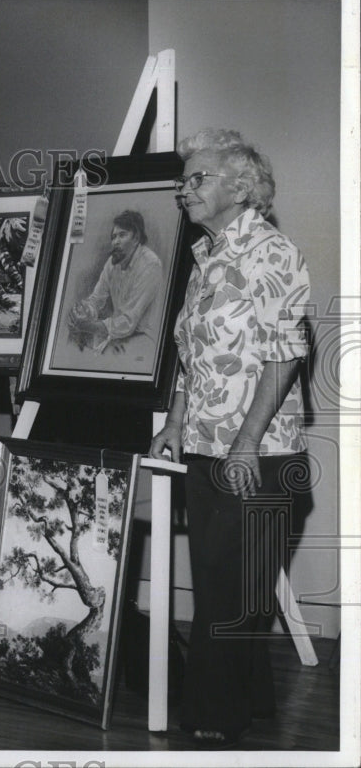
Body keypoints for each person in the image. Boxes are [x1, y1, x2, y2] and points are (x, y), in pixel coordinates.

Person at [150, 129, 311, 747]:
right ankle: (251, 702)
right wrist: (173, 421)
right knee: (226, 584)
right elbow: (194, 358)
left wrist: (245, 443)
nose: (184, 189)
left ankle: (212, 721)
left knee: (228, 591)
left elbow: (283, 357)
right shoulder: (207, 255)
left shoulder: (271, 253)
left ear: (240, 187)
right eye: (183, 179)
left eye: (199, 178)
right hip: (204, 444)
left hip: (258, 454)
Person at [67, 210, 163, 354]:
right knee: (75, 340)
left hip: (145, 339)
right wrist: (83, 310)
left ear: (136, 238)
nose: (115, 242)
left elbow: (129, 322)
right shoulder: (112, 263)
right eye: (113, 237)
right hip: (118, 334)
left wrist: (89, 326)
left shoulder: (150, 264)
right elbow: (96, 299)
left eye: (122, 235)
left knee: (102, 353)